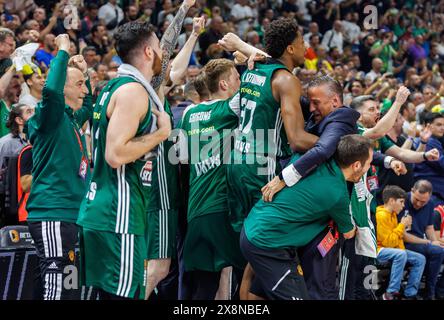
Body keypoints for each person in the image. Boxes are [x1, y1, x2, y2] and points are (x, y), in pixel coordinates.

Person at [77, 21, 171, 300]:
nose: (163, 54)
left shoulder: (112, 87)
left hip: (105, 210)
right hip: (119, 214)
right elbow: (115, 154)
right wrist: (162, 133)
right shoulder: (132, 92)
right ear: (148, 52)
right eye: (158, 48)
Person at [240, 134, 372, 300]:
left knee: (259, 293)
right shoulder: (338, 195)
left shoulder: (310, 160)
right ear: (357, 165)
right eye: (368, 163)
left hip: (256, 226)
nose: (369, 168)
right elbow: (348, 232)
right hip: (267, 243)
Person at [26, 34, 92, 300]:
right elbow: (51, 90)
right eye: (79, 85)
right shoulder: (50, 117)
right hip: (53, 213)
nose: (85, 90)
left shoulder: (70, 119)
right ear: (63, 87)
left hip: (71, 215)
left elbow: (88, 106)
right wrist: (62, 52)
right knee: (57, 286)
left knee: (71, 285)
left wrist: (85, 73)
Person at [177, 58, 244, 299]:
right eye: (237, 77)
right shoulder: (229, 108)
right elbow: (258, 87)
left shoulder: (189, 113)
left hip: (195, 210)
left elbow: (183, 160)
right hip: (224, 209)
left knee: (205, 286)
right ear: (225, 84)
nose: (240, 81)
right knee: (247, 276)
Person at [376, 185, 426, 300]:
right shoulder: (381, 216)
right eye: (401, 202)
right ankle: (390, 293)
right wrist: (402, 225)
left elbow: (397, 240)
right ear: (392, 201)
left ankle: (410, 294)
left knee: (420, 259)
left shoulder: (393, 215)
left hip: (392, 250)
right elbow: (388, 243)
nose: (403, 206)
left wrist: (403, 227)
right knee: (401, 254)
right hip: (379, 250)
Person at [401, 180, 444, 300]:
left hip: (421, 242)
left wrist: (434, 241)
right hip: (403, 242)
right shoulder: (401, 200)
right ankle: (429, 293)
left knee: (439, 250)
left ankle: (437, 290)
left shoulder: (430, 203)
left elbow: (429, 227)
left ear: (429, 196)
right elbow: (402, 234)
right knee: (437, 251)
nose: (419, 204)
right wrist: (429, 242)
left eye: (423, 201)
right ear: (412, 191)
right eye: (417, 199)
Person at [414, 113, 444, 207]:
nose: (443, 128)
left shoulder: (434, 141)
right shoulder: (429, 142)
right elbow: (442, 164)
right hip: (432, 193)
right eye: (439, 125)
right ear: (428, 126)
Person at [0, 103, 34, 168]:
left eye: (33, 111)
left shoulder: (37, 140)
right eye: (29, 112)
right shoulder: (6, 143)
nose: (34, 114)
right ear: (19, 120)